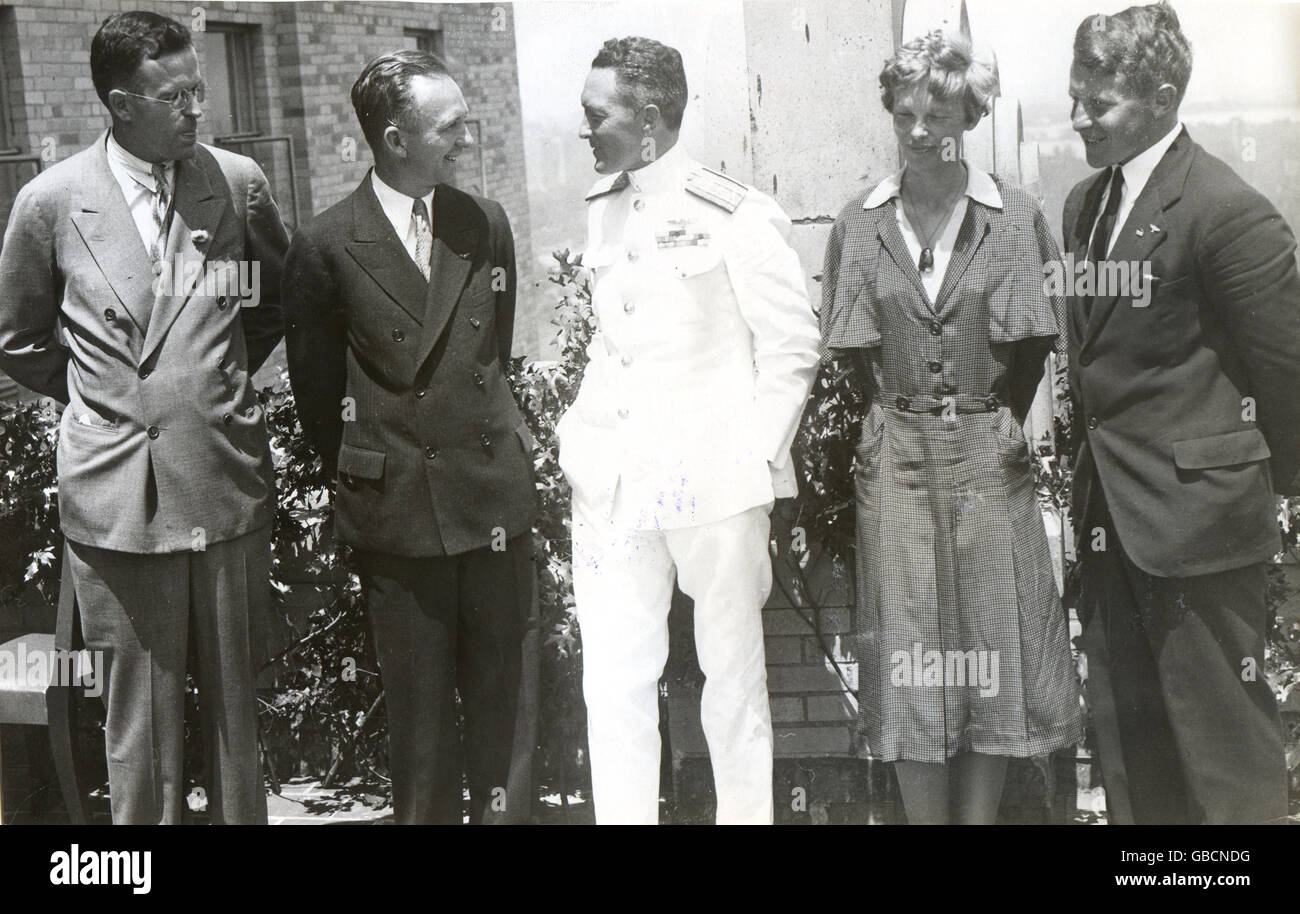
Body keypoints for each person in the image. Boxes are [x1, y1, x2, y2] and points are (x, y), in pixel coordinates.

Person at [0, 10, 288, 823]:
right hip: (117, 499)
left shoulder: (233, 184)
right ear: (122, 104)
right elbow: (19, 341)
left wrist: (212, 390)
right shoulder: (50, 203)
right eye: (177, 96)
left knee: (238, 714)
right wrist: (111, 404)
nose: (198, 108)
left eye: (199, 88)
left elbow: (267, 306)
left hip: (220, 482)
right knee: (140, 723)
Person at [820, 29, 1082, 825]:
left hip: (987, 462)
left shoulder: (1014, 217)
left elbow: (1035, 349)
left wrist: (981, 419)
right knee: (910, 663)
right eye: (905, 113)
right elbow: (855, 362)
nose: (920, 128)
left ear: (970, 113)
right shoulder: (859, 224)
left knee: (994, 654)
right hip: (896, 462)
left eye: (938, 111)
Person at [560, 36, 821, 825]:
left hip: (713, 485)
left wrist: (753, 459)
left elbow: (793, 347)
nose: (585, 131)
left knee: (733, 685)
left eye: (594, 115)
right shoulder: (604, 209)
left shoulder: (733, 213)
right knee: (613, 685)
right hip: (612, 485)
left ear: (647, 117)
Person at [282, 50, 538, 825]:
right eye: (449, 126)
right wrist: (374, 471)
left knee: (509, 718)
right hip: (400, 516)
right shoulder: (326, 245)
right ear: (395, 139)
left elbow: (490, 351)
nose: (466, 137)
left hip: (493, 504)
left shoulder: (481, 224)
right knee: (421, 733)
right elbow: (319, 395)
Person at [1066, 3, 1300, 824]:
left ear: (1163, 98)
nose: (1078, 119)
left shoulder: (1227, 211)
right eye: (1075, 98)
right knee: (1134, 757)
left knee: (1223, 753)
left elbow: (1287, 373)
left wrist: (1254, 491)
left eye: (1099, 106)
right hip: (1113, 527)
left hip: (1197, 534)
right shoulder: (1085, 207)